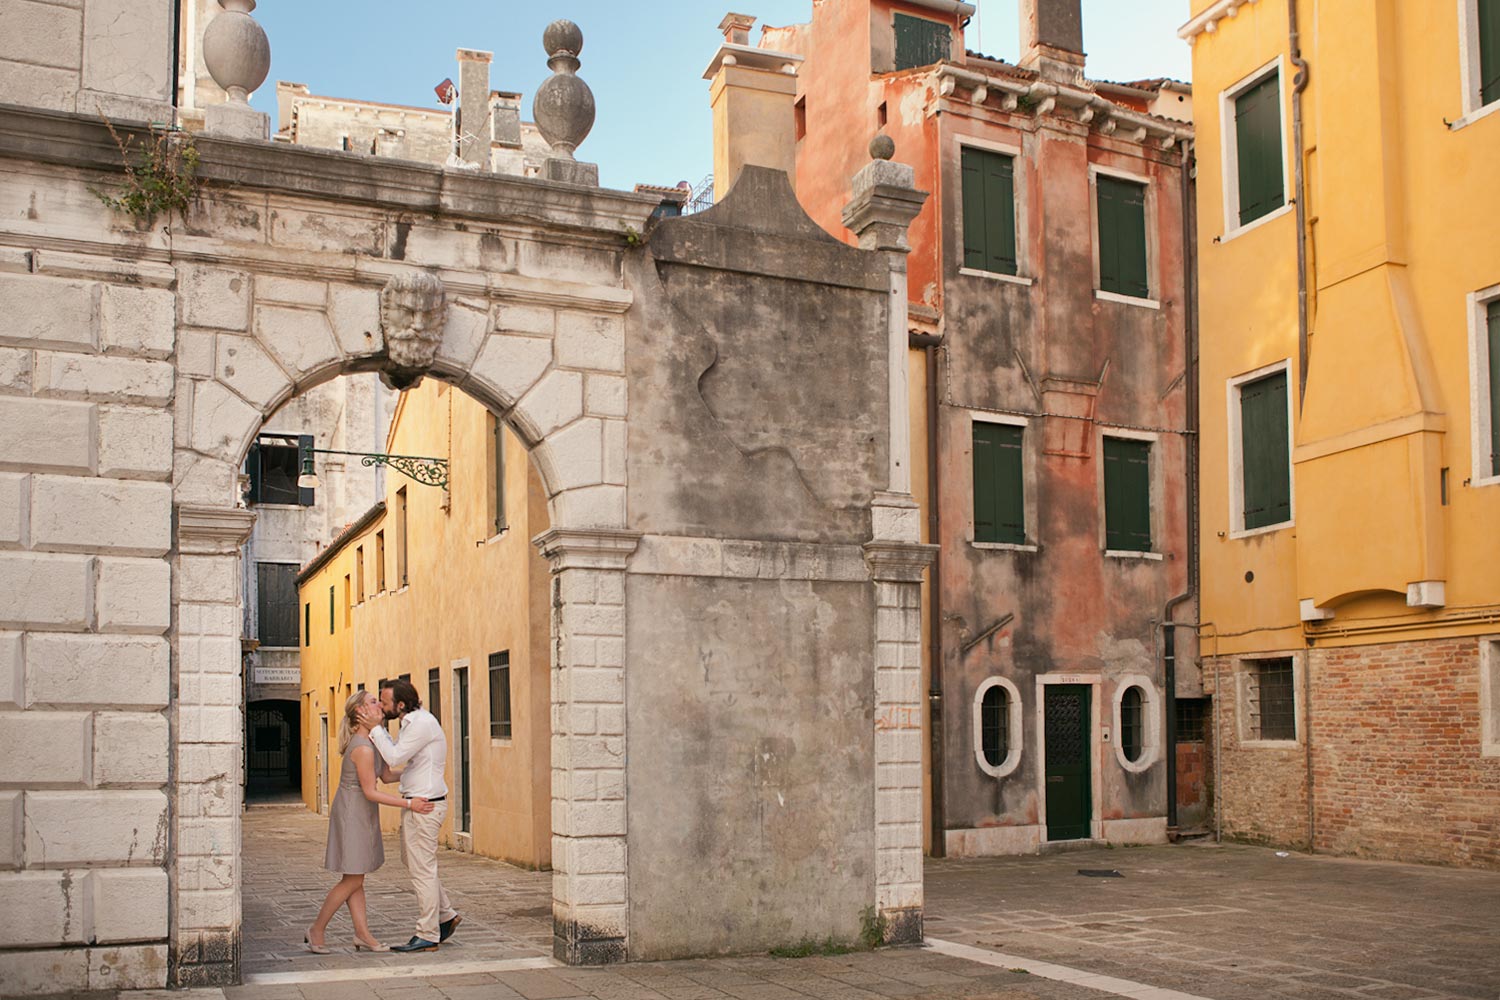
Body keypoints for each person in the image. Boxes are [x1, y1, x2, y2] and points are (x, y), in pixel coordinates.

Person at [306, 690, 433, 955]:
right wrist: (411, 804)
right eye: (373, 702)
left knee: (356, 877)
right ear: (360, 713)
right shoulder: (362, 748)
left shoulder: (373, 741)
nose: (379, 705)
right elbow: (371, 791)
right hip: (353, 813)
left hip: (362, 812)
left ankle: (362, 935)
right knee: (352, 880)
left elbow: (386, 776)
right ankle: (316, 929)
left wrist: (421, 769)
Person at [358, 677, 462, 952]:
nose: (380, 705)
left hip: (425, 806)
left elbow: (394, 757)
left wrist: (375, 728)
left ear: (400, 705)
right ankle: (446, 915)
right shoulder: (412, 724)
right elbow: (408, 765)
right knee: (415, 863)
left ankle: (428, 933)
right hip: (419, 801)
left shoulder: (421, 724)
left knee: (422, 870)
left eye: (385, 701)